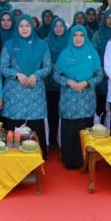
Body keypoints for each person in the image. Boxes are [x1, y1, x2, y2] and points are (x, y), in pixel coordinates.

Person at [0, 14, 52, 157]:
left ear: (32, 26)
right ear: (17, 28)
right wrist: (18, 74)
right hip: (15, 95)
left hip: (35, 93)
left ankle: (37, 158)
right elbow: (3, 68)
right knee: (14, 125)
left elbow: (47, 67)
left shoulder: (42, 45)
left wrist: (36, 75)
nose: (24, 29)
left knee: (35, 125)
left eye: (27, 25)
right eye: (21, 26)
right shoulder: (9, 45)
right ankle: (14, 158)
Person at [53, 25, 104, 169]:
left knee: (85, 129)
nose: (78, 38)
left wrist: (86, 83)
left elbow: (99, 75)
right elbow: (56, 74)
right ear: (71, 37)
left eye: (81, 35)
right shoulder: (65, 53)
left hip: (86, 99)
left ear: (85, 37)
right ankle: (69, 160)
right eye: (75, 35)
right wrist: (68, 82)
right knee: (70, 130)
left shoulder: (92, 53)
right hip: (69, 99)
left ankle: (85, 160)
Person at [92, 8, 111, 122]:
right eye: (108, 18)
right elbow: (94, 56)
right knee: (101, 106)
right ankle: (101, 129)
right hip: (102, 77)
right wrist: (103, 71)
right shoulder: (98, 35)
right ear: (104, 19)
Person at [45, 17, 68, 148]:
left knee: (62, 112)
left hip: (65, 84)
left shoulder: (70, 42)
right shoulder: (45, 42)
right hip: (48, 84)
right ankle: (51, 140)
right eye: (56, 26)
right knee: (50, 112)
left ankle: (62, 141)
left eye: (61, 26)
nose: (58, 29)